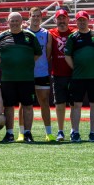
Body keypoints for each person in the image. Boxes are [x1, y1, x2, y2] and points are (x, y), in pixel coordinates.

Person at [0, 11, 42, 143]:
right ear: (7, 22)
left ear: (21, 22)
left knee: (28, 106)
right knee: (8, 106)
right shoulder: (1, 37)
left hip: (26, 78)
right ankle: (9, 134)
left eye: (16, 21)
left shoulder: (30, 36)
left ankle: (27, 133)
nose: (14, 23)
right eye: (11, 21)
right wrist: (5, 62)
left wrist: (25, 63)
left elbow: (37, 53)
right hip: (8, 78)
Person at [65, 10, 94, 143]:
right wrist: (76, 68)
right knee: (76, 105)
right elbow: (67, 56)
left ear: (88, 20)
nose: (82, 22)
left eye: (84, 19)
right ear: (76, 22)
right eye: (79, 20)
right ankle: (75, 132)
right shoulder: (73, 37)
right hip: (78, 77)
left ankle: (92, 132)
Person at [21, 7, 54, 141]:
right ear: (29, 17)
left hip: (42, 73)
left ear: (41, 18)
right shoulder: (23, 33)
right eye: (33, 16)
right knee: (24, 104)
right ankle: (22, 132)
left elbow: (48, 54)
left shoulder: (47, 34)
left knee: (44, 102)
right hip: (27, 74)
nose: (35, 18)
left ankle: (48, 132)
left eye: (37, 16)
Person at [49, 8, 76, 141]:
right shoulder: (51, 33)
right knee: (59, 104)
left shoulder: (74, 32)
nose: (61, 21)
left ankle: (73, 130)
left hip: (73, 74)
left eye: (63, 18)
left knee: (74, 104)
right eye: (59, 18)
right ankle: (60, 131)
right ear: (55, 20)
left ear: (68, 19)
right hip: (58, 74)